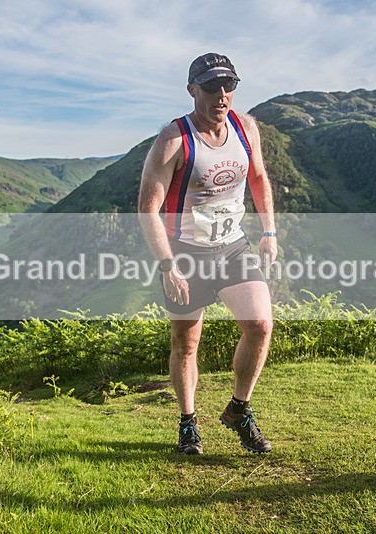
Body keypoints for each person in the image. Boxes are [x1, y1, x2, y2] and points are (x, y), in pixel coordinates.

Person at [138, 53, 277, 455]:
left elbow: (258, 176)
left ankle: (239, 409)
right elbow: (148, 209)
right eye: (212, 86)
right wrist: (168, 267)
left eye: (228, 85)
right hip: (184, 252)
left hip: (233, 245)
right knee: (186, 342)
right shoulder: (173, 140)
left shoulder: (245, 127)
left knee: (260, 325)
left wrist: (269, 230)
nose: (221, 95)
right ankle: (188, 423)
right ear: (191, 90)